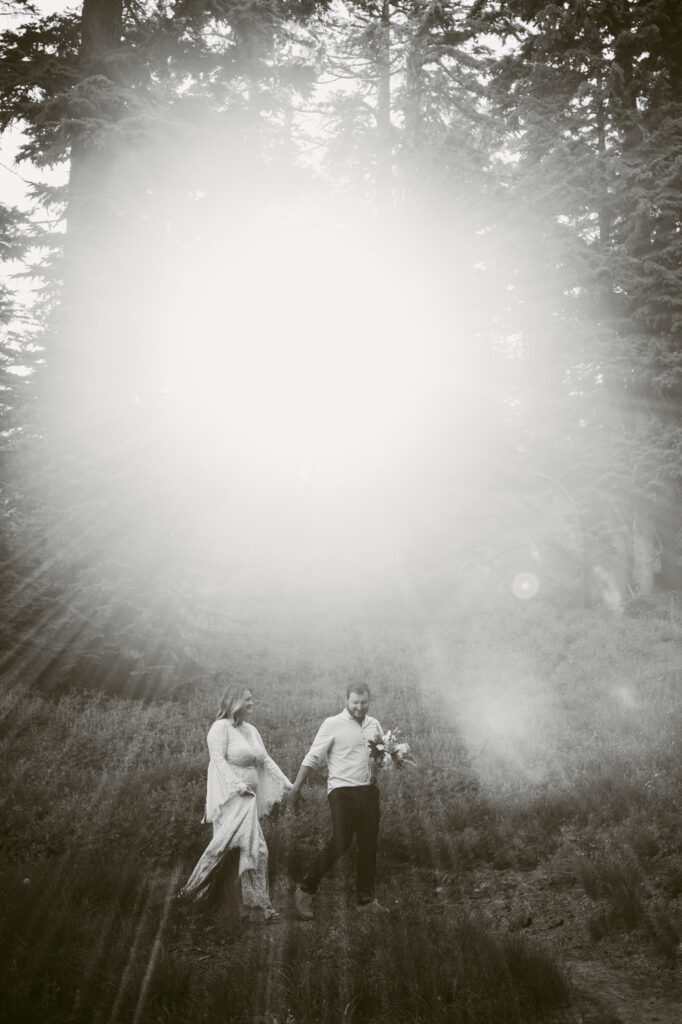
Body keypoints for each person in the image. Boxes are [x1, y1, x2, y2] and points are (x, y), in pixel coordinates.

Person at [178, 685, 291, 921]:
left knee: (253, 850)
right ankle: (193, 896)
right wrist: (237, 786)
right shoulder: (220, 728)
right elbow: (217, 760)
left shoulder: (251, 730)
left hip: (248, 801)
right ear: (234, 701)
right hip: (231, 799)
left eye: (252, 698)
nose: (252, 703)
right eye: (247, 699)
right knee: (229, 850)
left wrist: (288, 784)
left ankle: (254, 909)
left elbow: (265, 760)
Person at [289, 682, 384, 919]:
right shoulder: (332, 724)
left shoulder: (375, 725)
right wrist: (296, 788)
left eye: (363, 703)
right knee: (341, 840)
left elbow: (378, 758)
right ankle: (305, 889)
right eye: (355, 703)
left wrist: (387, 759)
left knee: (368, 845)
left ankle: (365, 900)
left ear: (369, 701)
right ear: (346, 701)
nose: (359, 707)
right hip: (342, 791)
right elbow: (313, 756)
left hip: (368, 792)